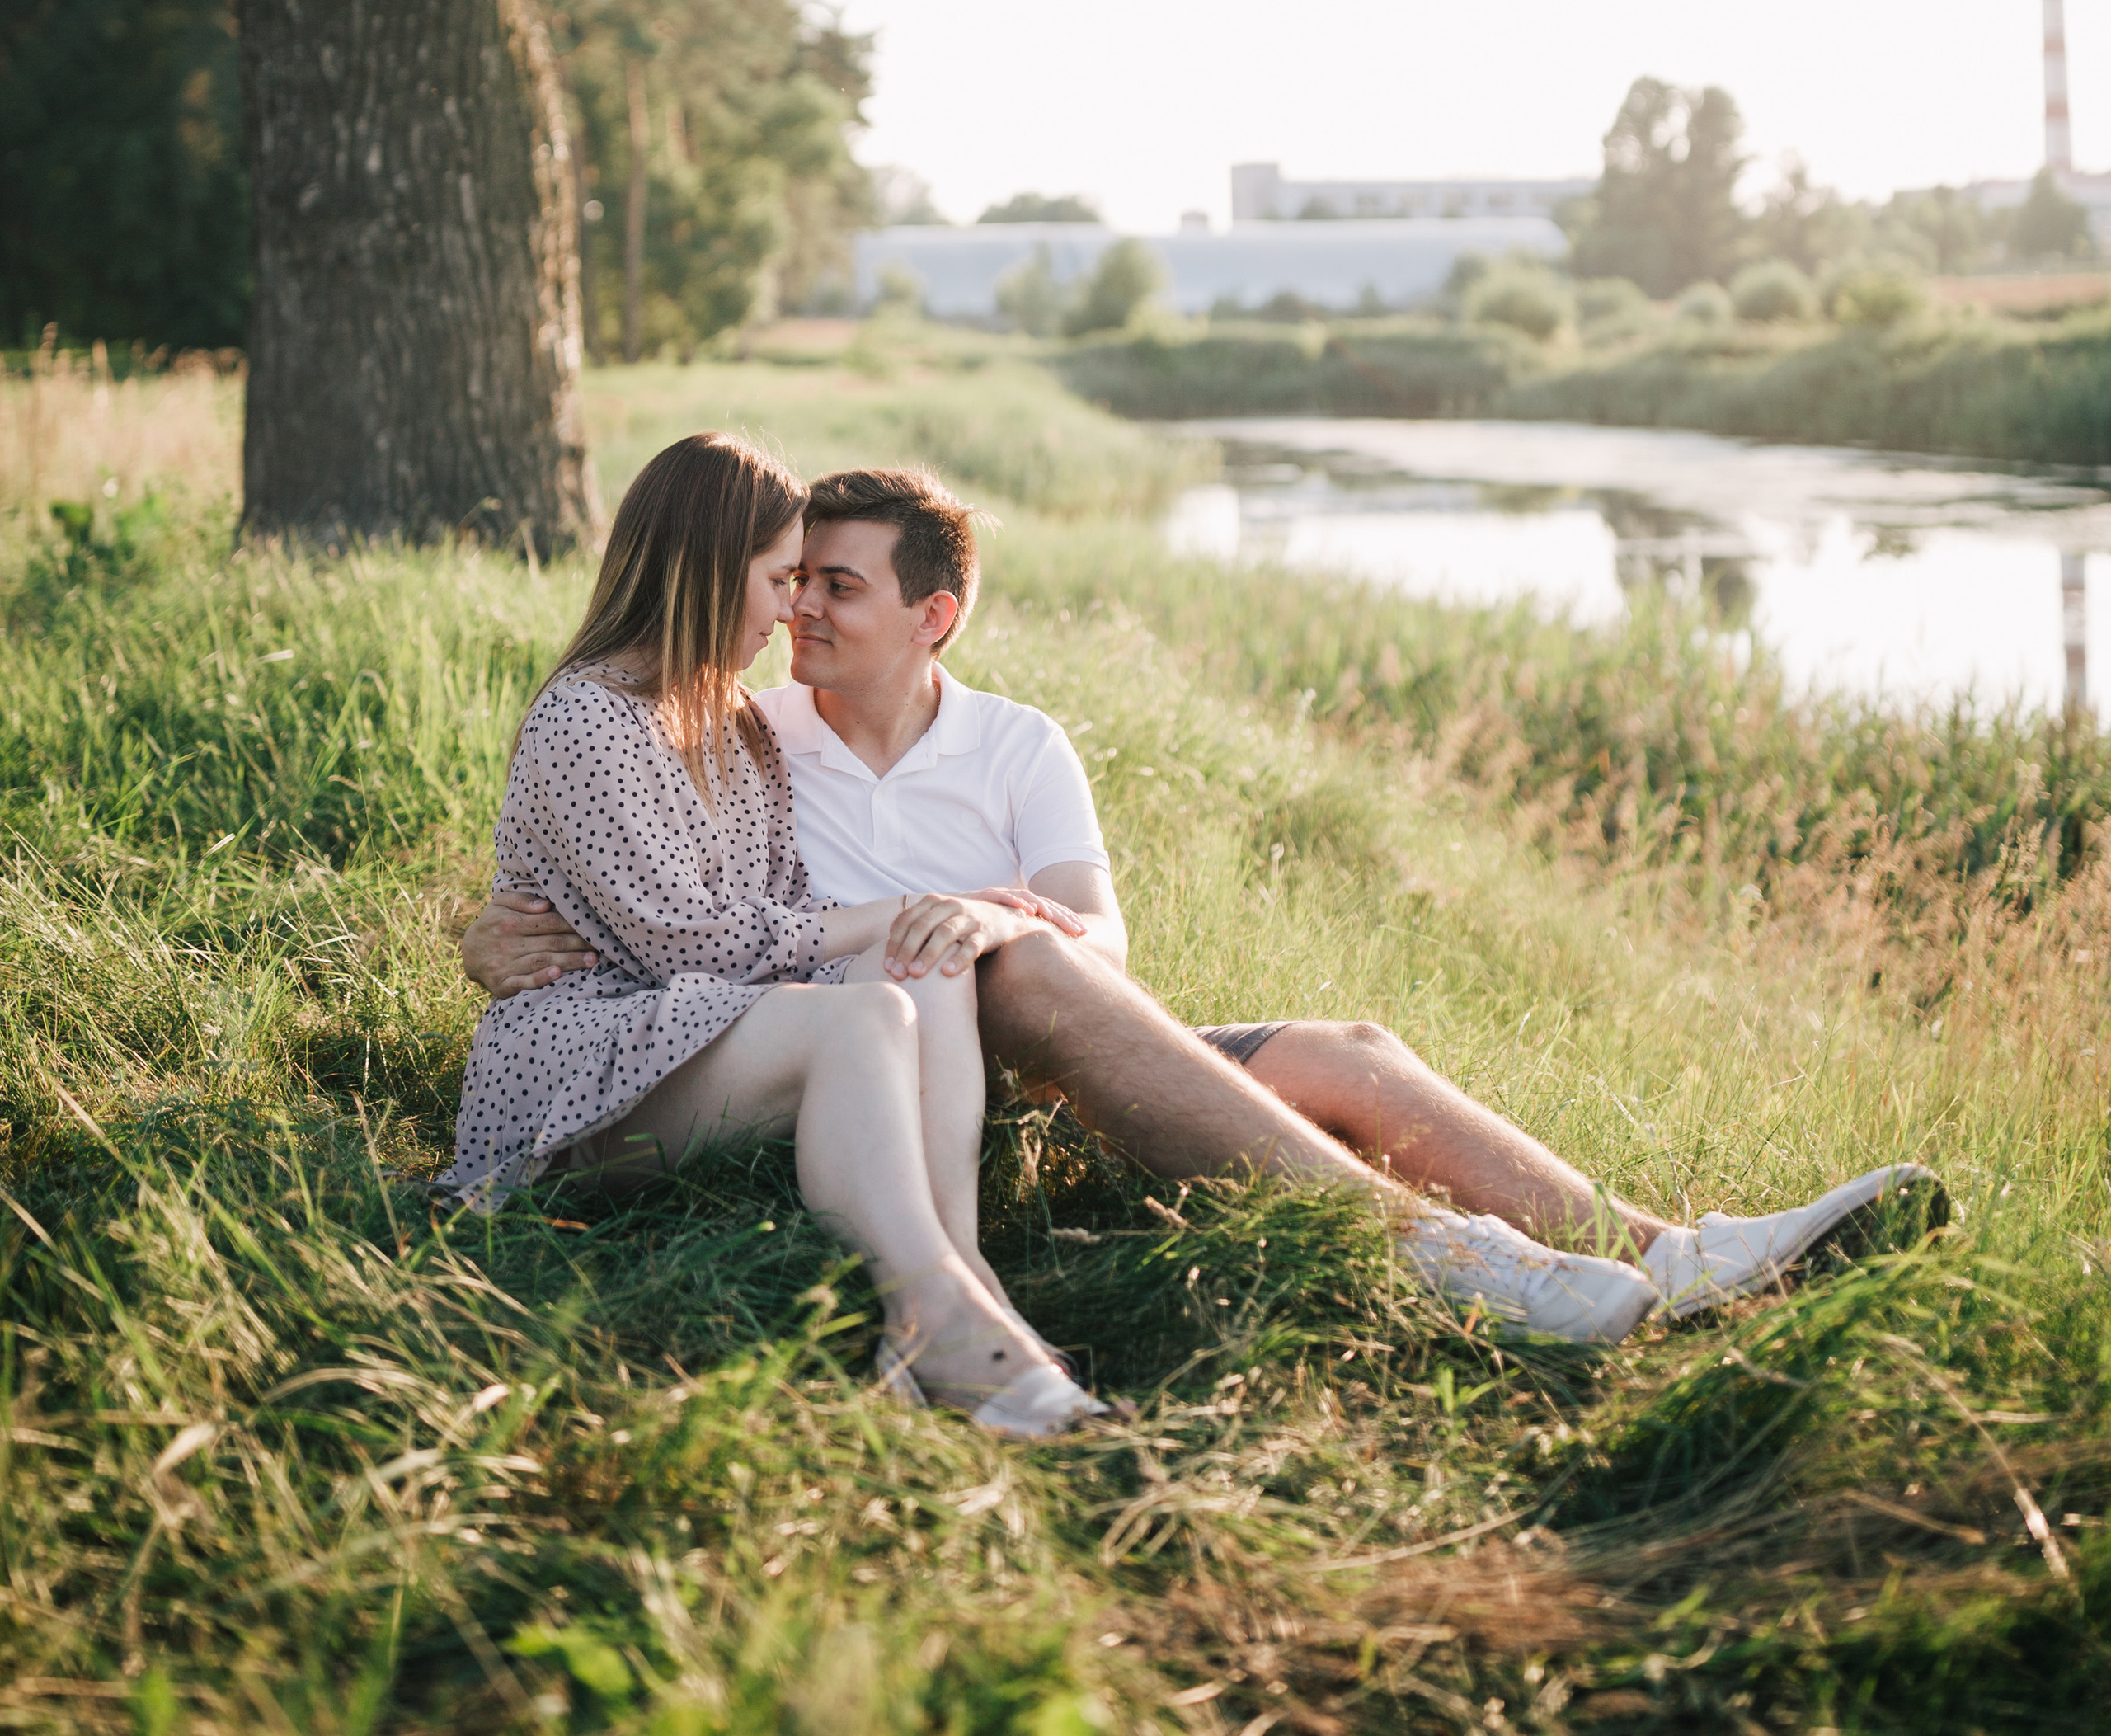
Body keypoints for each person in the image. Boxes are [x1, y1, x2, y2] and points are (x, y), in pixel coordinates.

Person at [462, 461, 1939, 1342]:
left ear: (933, 618)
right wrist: (488, 933)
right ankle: (1452, 1262)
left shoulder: (1019, 744)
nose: (798, 614)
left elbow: (1100, 944)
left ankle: (1656, 1246)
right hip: (895, 1059)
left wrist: (1010, 925)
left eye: (834, 590)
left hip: (1053, 1031)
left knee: (1338, 1042)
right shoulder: (751, 730)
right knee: (1009, 967)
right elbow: (621, 852)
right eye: (793, 584)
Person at [439, 433, 1105, 1437]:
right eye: (779, 577)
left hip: (698, 1029)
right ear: (707, 572)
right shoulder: (587, 719)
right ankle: (938, 1317)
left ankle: (965, 1296)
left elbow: (785, 904)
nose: (792, 605)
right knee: (864, 1006)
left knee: (913, 963)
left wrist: (934, 921)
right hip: (577, 1057)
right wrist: (916, 901)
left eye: (806, 578)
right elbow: (685, 943)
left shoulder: (736, 719)